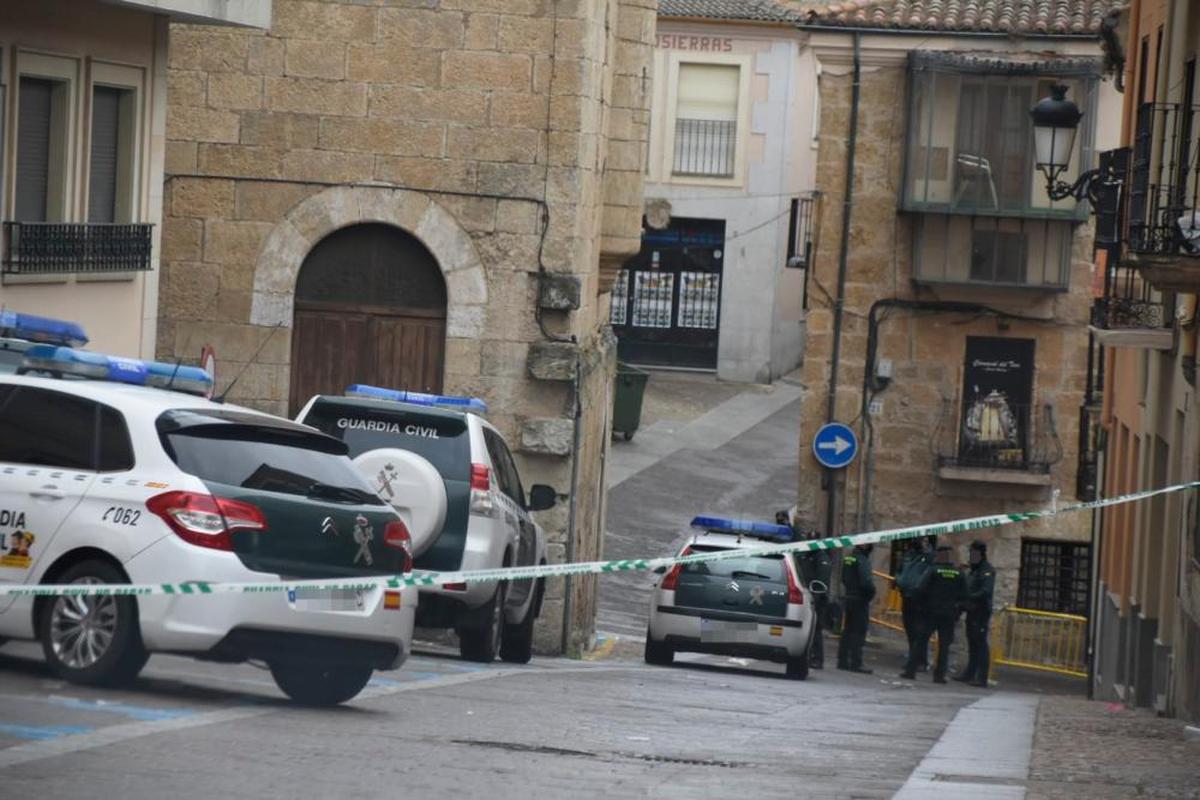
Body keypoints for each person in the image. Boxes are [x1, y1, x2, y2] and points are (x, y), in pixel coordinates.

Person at [900, 545, 966, 684]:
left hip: (930, 612)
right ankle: (939, 676)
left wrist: (921, 605)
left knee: (920, 642)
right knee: (944, 646)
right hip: (948, 614)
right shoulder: (959, 574)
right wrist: (957, 611)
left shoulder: (933, 571)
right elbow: (965, 595)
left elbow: (919, 588)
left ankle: (910, 671)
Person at [955, 540, 995, 688]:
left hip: (981, 611)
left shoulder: (987, 570)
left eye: (974, 552)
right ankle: (970, 674)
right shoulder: (974, 570)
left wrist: (969, 596)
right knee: (972, 642)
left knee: (981, 643)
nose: (971, 556)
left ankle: (982, 677)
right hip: (972, 610)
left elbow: (985, 591)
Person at [794, 529, 832, 670]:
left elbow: (822, 582)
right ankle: (807, 655)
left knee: (815, 629)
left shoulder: (822, 558)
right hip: (805, 597)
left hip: (817, 599)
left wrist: (815, 597)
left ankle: (817, 658)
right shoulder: (804, 556)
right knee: (805, 628)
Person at [896, 537, 935, 671]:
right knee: (910, 630)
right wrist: (899, 581)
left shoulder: (929, 556)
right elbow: (899, 571)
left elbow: (930, 573)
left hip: (920, 599)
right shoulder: (909, 555)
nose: (921, 541)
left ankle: (920, 662)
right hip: (906, 596)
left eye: (924, 539)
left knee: (919, 631)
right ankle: (914, 659)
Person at [837, 542, 876, 674]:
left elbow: (843, 578)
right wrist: (871, 593)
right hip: (860, 599)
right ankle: (856, 662)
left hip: (849, 596)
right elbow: (866, 582)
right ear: (864, 545)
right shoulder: (862, 559)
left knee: (848, 630)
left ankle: (842, 660)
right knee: (859, 632)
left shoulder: (849, 557)